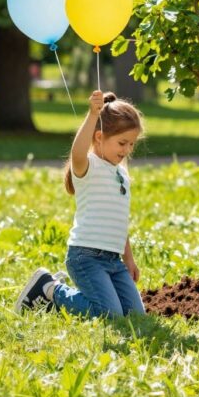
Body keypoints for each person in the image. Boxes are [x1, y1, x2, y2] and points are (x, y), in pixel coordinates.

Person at [15, 91, 146, 318]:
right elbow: (77, 152)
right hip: (86, 258)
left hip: (114, 262)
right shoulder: (89, 167)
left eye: (131, 144)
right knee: (110, 315)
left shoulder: (122, 174)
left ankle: (64, 301)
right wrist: (92, 115)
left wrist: (129, 259)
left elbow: (119, 221)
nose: (126, 150)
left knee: (135, 315)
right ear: (98, 137)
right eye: (122, 143)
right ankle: (50, 289)